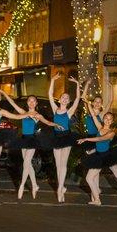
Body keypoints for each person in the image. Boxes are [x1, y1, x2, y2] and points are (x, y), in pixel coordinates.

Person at [0, 92, 65, 199]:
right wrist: (4, 94)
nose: (31, 102)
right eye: (29, 100)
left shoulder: (37, 115)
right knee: (28, 164)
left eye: (33, 101)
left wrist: (56, 124)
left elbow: (48, 122)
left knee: (26, 163)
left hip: (32, 140)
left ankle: (22, 186)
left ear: (36, 103)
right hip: (23, 139)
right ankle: (35, 185)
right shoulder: (23, 112)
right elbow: (12, 103)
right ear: (27, 103)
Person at [78, 111, 117, 206]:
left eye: (110, 119)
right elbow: (94, 116)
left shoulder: (111, 133)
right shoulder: (99, 128)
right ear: (103, 119)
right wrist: (86, 101)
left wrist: (86, 139)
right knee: (89, 178)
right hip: (99, 156)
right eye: (106, 118)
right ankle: (97, 200)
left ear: (112, 121)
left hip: (108, 156)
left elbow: (100, 139)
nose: (107, 120)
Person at [47, 73, 82, 203]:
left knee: (63, 164)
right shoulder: (55, 108)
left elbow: (78, 98)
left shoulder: (69, 112)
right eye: (63, 97)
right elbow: (50, 95)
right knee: (58, 165)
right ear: (60, 99)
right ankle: (61, 187)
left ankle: (60, 188)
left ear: (68, 101)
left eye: (67, 98)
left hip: (66, 137)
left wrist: (77, 84)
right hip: (56, 138)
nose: (65, 99)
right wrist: (52, 80)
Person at [81, 78, 112, 153]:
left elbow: (110, 101)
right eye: (95, 101)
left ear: (101, 104)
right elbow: (83, 97)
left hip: (98, 137)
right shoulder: (89, 110)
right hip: (89, 136)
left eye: (99, 102)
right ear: (92, 103)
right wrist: (87, 84)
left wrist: (111, 87)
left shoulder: (102, 114)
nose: (97, 103)